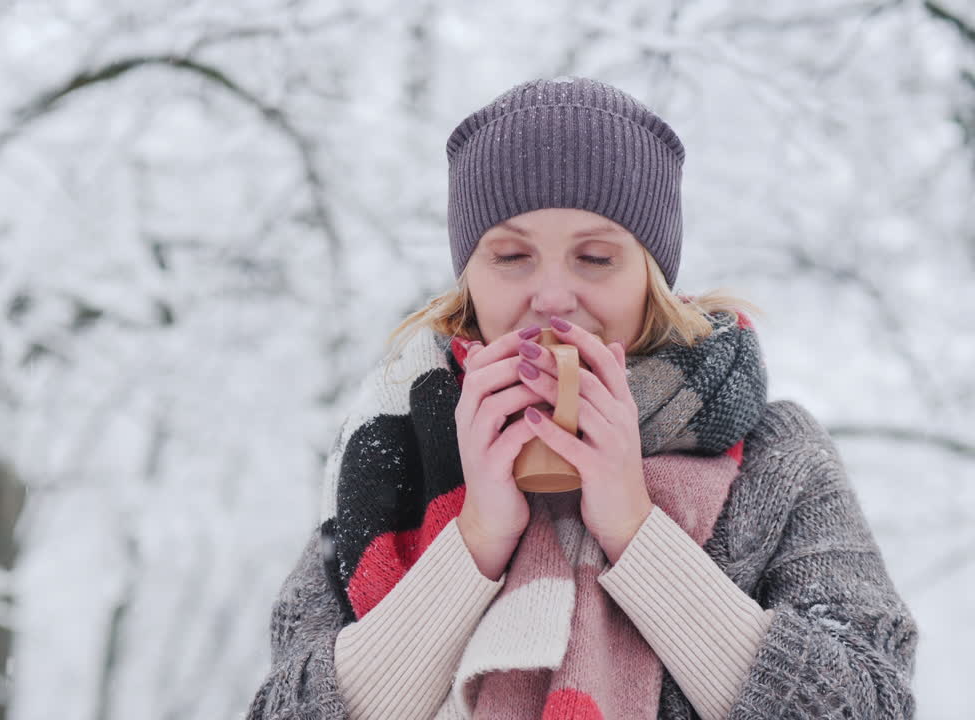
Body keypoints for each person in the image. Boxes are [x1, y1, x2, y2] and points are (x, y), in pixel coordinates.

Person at [246, 76, 918, 720]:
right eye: (511, 257)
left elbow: (868, 704)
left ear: (652, 277)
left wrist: (635, 529)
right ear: (469, 277)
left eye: (596, 258)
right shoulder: (389, 455)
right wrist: (476, 540)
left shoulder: (776, 457)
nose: (552, 297)